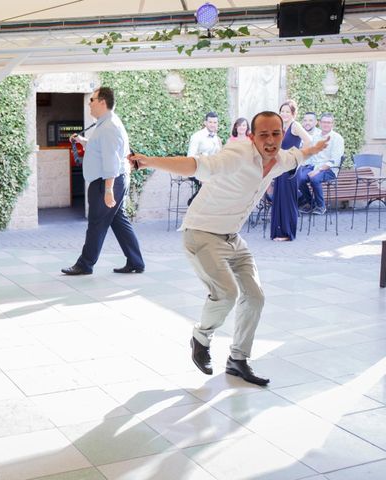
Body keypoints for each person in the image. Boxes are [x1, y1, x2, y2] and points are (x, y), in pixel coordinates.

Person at [129, 112, 328, 386]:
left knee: (255, 296)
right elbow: (195, 165)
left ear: (282, 134)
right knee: (226, 294)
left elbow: (298, 155)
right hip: (201, 232)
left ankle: (238, 359)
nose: (270, 141)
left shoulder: (280, 160)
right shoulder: (237, 155)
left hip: (232, 237)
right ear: (251, 136)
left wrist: (315, 148)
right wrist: (149, 161)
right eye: (263, 135)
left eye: (276, 134)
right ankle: (200, 338)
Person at [61, 87, 145, 275]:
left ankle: (85, 264)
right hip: (110, 180)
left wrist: (108, 190)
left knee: (96, 223)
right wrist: (82, 141)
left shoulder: (109, 127)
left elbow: (111, 161)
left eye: (92, 99)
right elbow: (101, 149)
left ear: (102, 102)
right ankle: (136, 261)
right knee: (118, 221)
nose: (89, 103)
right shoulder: (105, 124)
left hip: (107, 182)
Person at [270, 100, 311, 241]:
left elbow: (308, 141)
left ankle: (288, 234)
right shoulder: (282, 126)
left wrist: (298, 157)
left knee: (288, 200)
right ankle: (279, 232)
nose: (284, 114)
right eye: (282, 111)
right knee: (279, 198)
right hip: (280, 166)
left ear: (293, 113)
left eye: (287, 111)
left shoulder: (295, 125)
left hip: (291, 168)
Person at [298, 112, 345, 215]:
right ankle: (311, 203)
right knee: (299, 178)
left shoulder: (337, 138)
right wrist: (301, 166)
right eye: (324, 122)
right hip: (314, 166)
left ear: (333, 124)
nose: (326, 124)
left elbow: (334, 160)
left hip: (329, 169)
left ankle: (321, 206)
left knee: (314, 178)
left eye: (329, 122)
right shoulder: (316, 137)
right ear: (319, 123)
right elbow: (312, 155)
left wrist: (317, 171)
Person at [187, 112, 222, 205]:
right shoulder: (197, 136)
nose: (212, 125)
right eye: (210, 122)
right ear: (205, 123)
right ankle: (195, 204)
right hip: (197, 169)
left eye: (215, 122)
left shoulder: (216, 138)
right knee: (209, 182)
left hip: (211, 169)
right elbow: (190, 157)